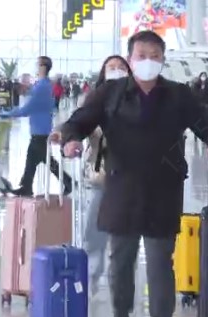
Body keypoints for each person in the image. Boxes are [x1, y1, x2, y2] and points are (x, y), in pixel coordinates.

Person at [56, 31, 208, 317]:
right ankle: (121, 312)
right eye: (142, 56)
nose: (148, 61)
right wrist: (70, 140)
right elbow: (79, 122)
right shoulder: (110, 94)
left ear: (163, 59)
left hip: (164, 190)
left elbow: (207, 124)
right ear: (130, 59)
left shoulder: (178, 94)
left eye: (155, 56)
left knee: (161, 262)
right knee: (120, 262)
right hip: (122, 187)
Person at [52, 55, 131, 298]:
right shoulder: (95, 100)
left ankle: (122, 286)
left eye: (121, 67)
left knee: (124, 236)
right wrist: (66, 137)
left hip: (134, 180)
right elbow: (76, 124)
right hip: (103, 177)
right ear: (103, 73)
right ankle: (90, 279)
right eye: (111, 68)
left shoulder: (138, 101)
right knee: (95, 230)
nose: (116, 71)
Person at [0, 56, 72, 196]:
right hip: (41, 128)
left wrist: (7, 114)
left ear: (43, 67)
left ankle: (65, 182)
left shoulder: (42, 87)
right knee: (38, 159)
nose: (35, 67)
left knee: (39, 158)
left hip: (40, 130)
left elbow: (27, 109)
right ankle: (29, 186)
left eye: (37, 64)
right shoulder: (44, 85)